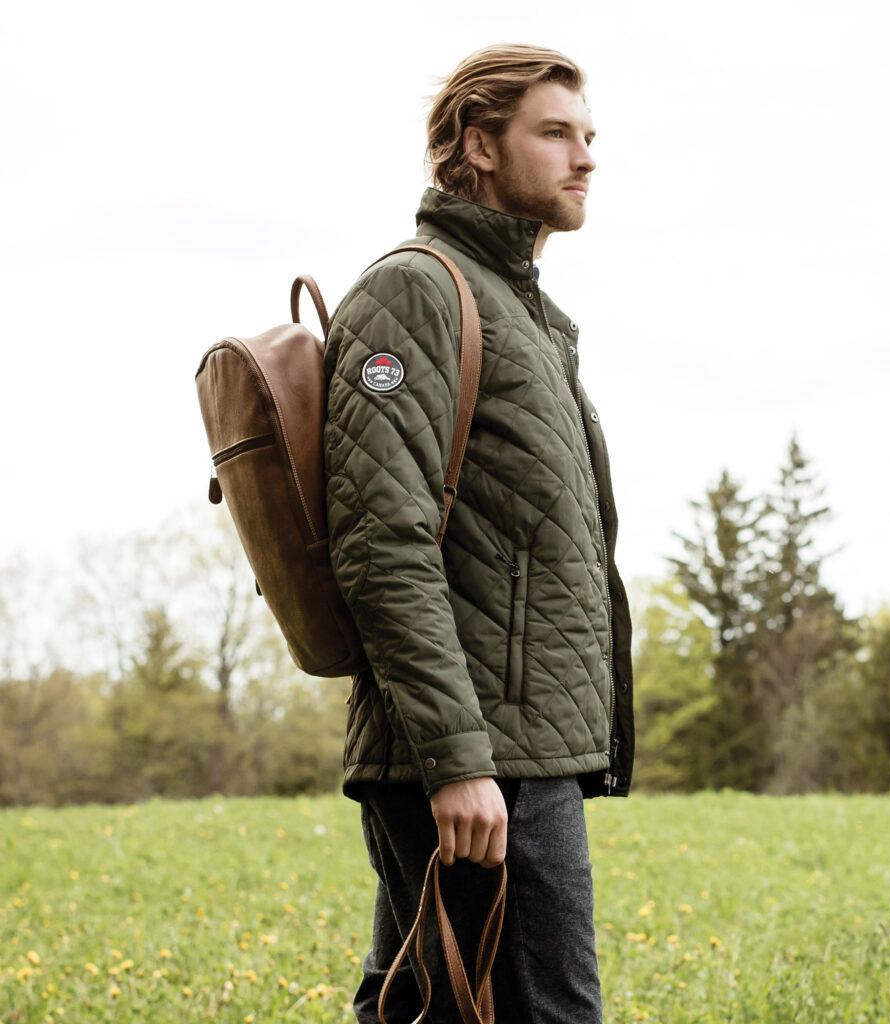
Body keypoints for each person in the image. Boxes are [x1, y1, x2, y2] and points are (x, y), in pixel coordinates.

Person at [323, 43, 634, 1023]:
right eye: (554, 133)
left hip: (514, 748)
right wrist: (460, 761)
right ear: (477, 145)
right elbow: (384, 542)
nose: (585, 157)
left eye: (588, 137)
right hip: (481, 757)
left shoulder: (525, 316)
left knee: (418, 1009)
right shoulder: (414, 293)